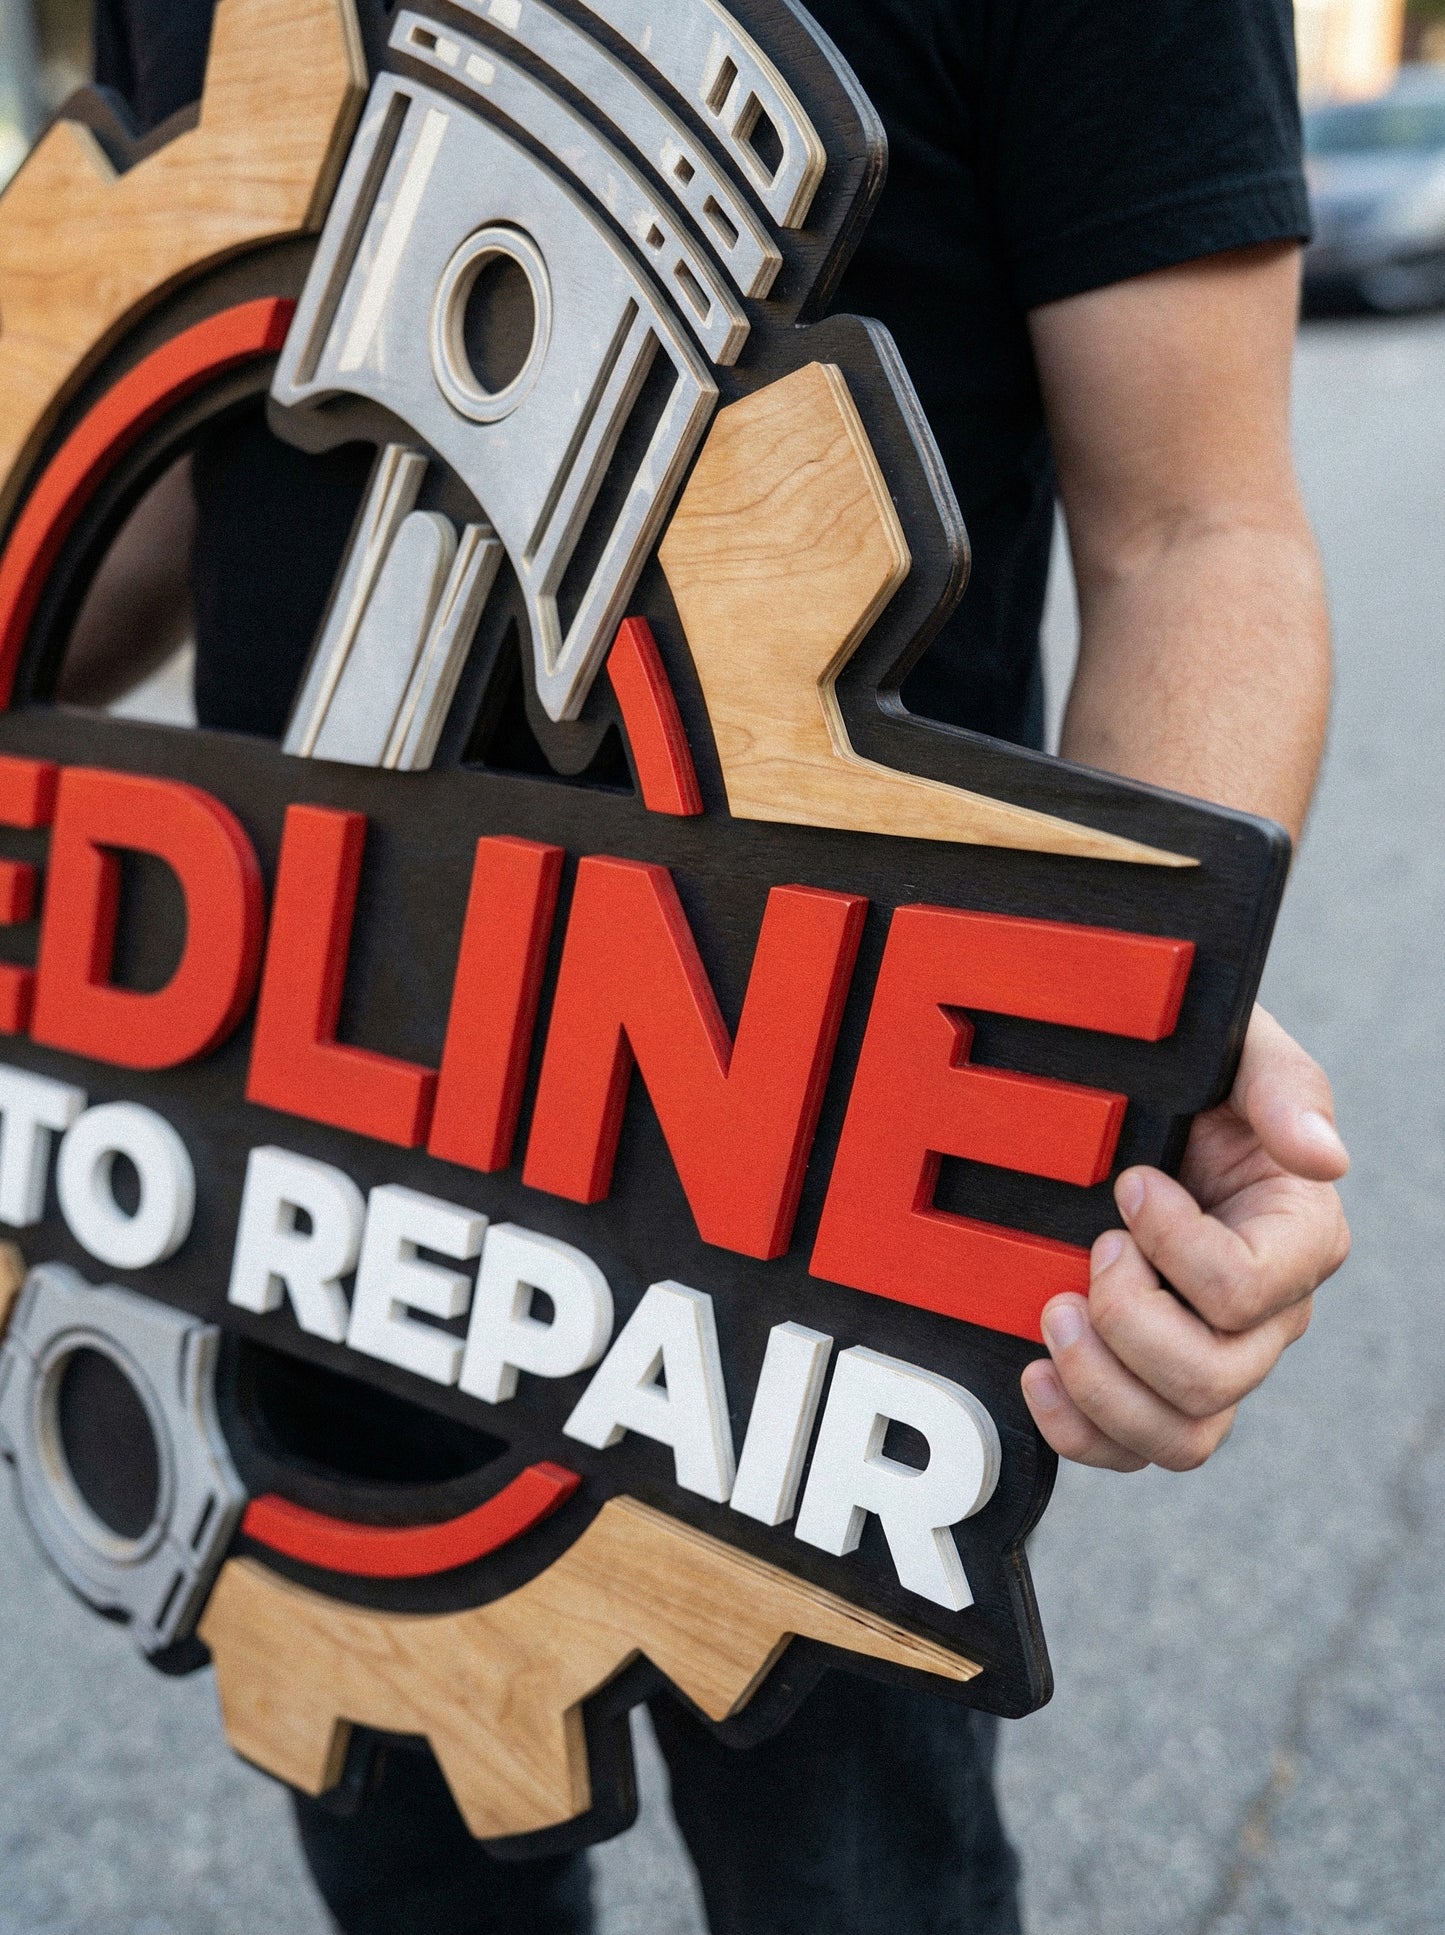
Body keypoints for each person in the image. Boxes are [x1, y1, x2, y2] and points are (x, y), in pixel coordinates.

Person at [75, 2, 1353, 1931]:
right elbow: (185, 453)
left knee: (846, 1880)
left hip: (803, 1180)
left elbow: (1193, 529)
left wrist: (1134, 1054)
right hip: (283, 1114)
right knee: (405, 1860)